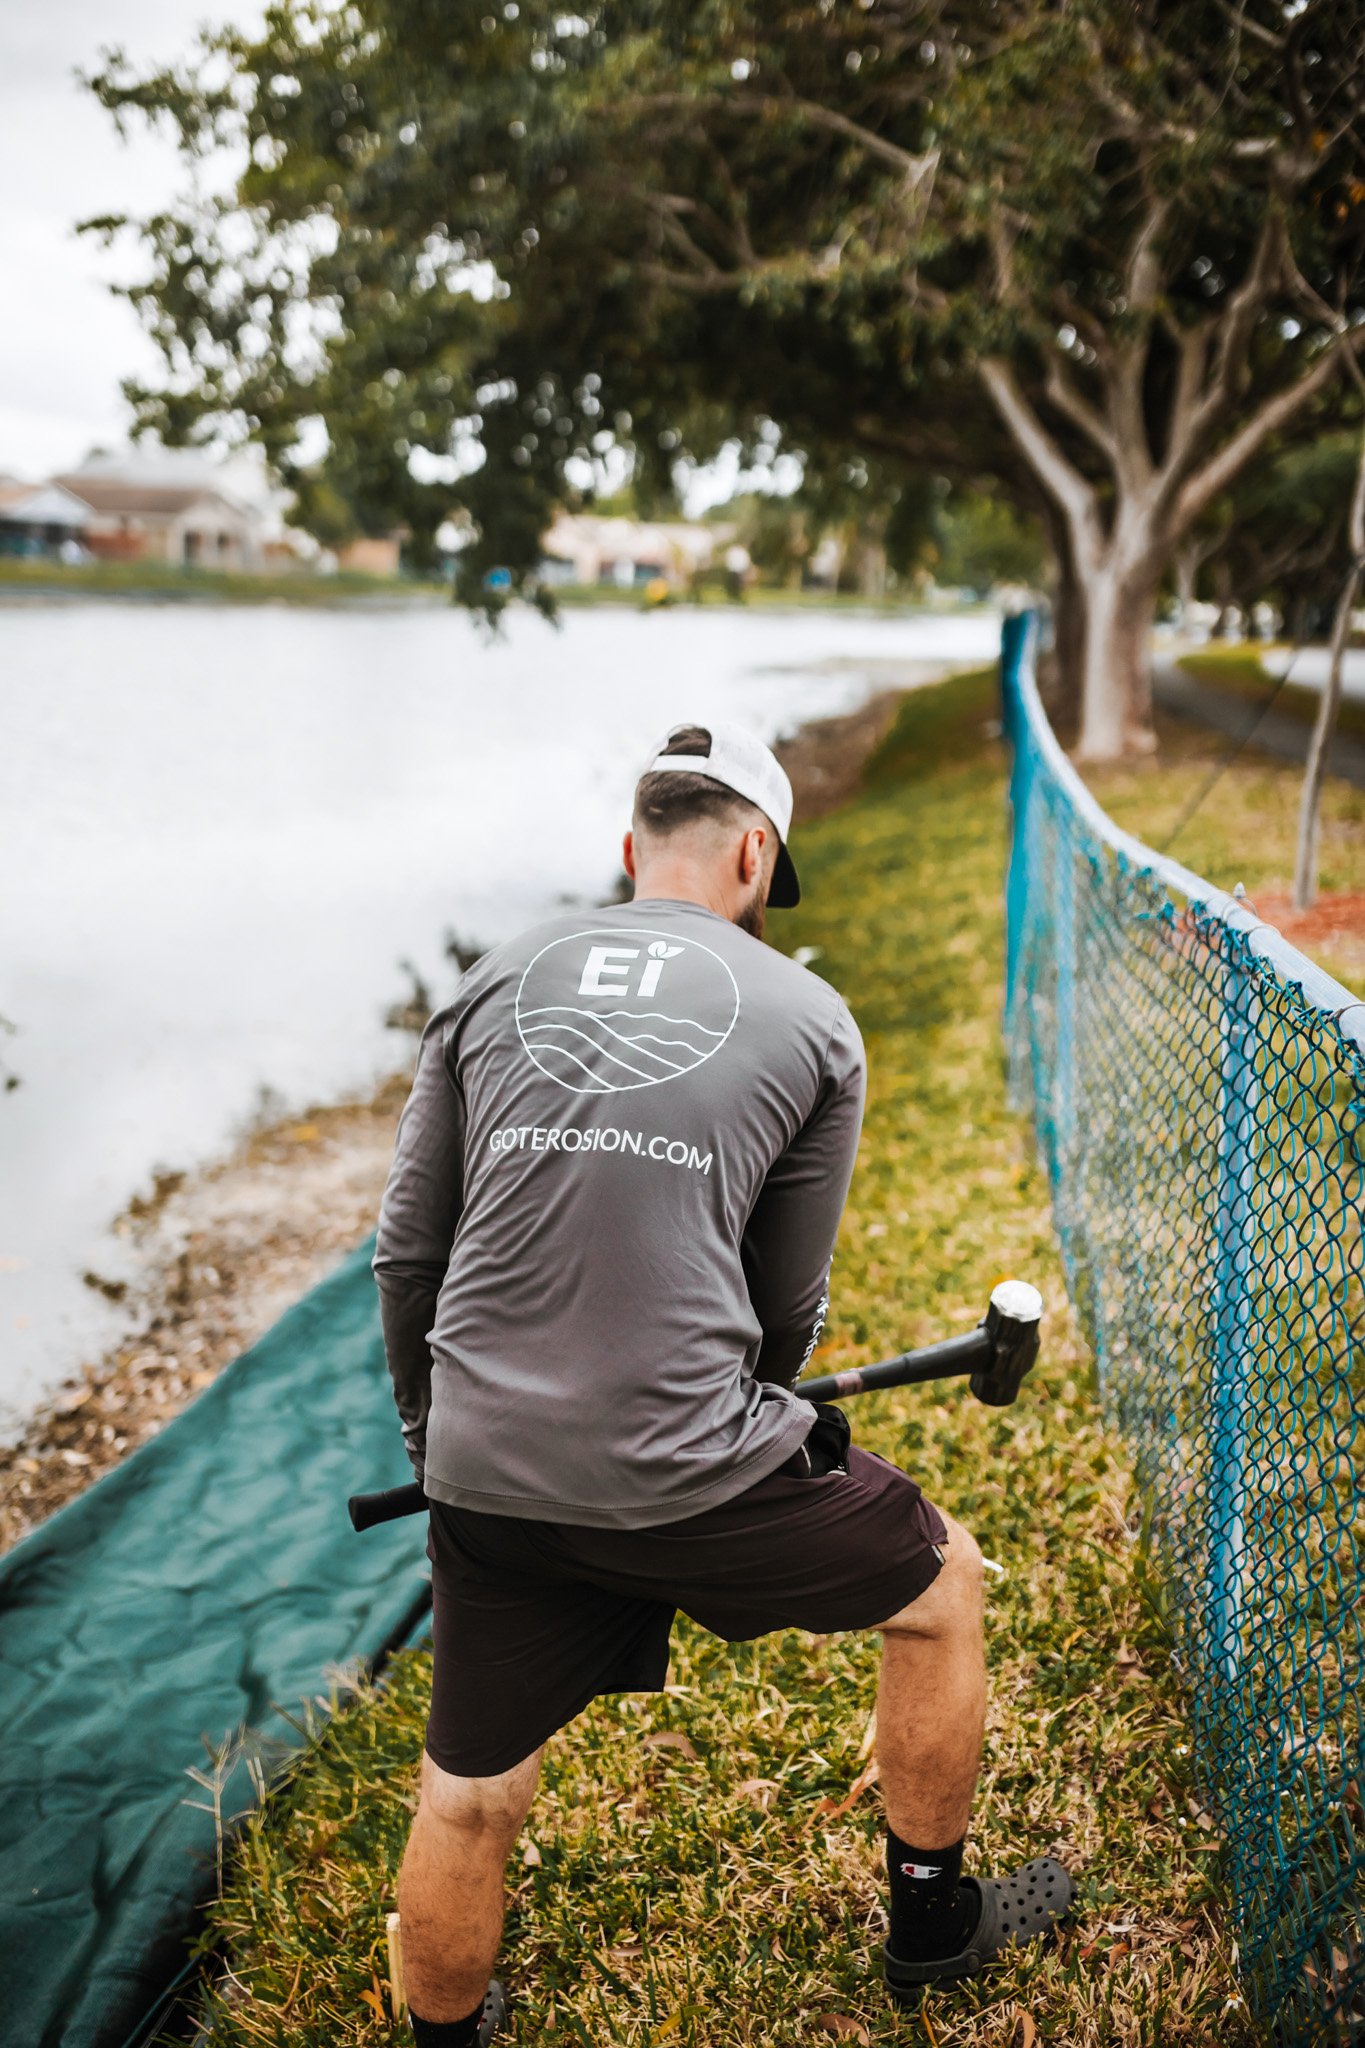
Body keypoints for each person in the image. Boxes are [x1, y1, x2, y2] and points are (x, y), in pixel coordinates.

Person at [372, 723, 1070, 2047]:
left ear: (630, 848)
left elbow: (407, 1255)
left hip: (478, 1462)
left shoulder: (489, 979)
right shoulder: (809, 1016)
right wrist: (735, 1429)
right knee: (942, 1589)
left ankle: (445, 2036)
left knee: (468, 1794)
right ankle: (931, 1924)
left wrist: (439, 1439)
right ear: (756, 852)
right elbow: (780, 1310)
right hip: (688, 1461)